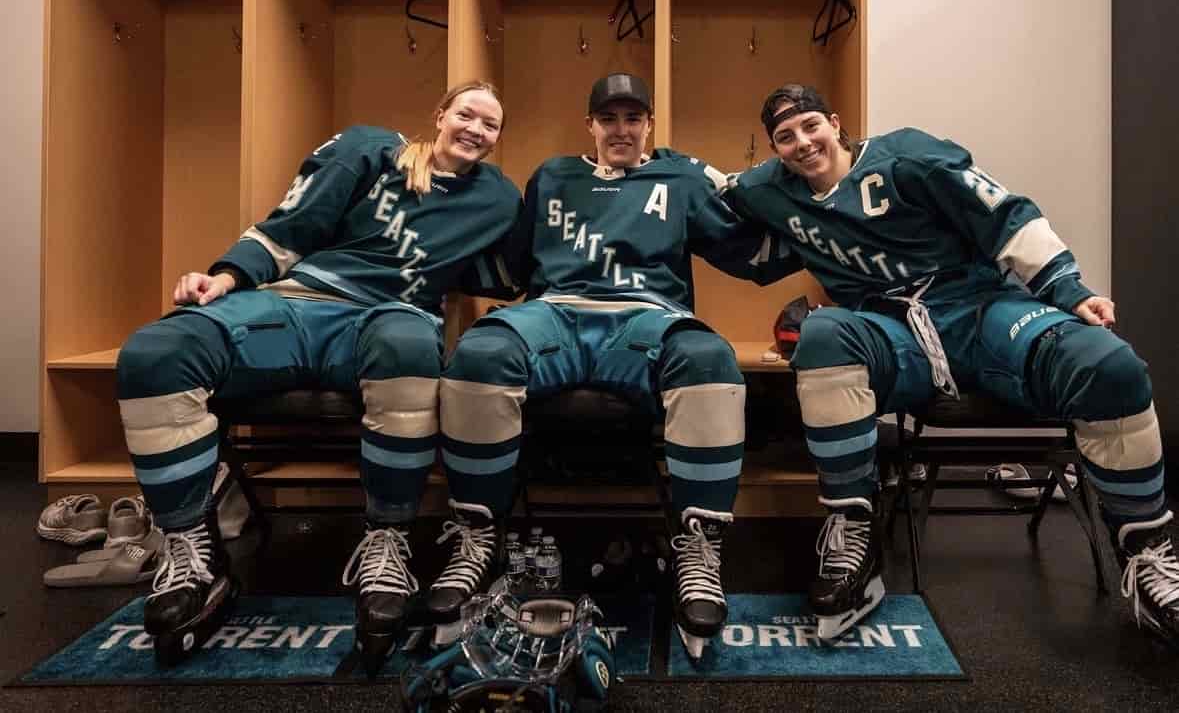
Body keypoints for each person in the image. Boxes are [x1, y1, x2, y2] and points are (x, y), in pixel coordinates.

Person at [724, 83, 1177, 647]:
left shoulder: (906, 155)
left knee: (1108, 365)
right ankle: (854, 530)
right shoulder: (771, 189)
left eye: (811, 125)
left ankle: (1146, 550)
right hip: (894, 331)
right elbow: (708, 194)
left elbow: (1003, 214)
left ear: (836, 123)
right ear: (774, 148)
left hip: (979, 311)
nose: (802, 142)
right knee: (823, 334)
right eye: (785, 136)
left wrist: (1068, 289)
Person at [115, 81, 521, 670]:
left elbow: (513, 271)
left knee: (409, 349)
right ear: (440, 115)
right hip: (299, 301)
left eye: (490, 124)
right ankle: (190, 548)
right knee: (155, 354)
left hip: (390, 317)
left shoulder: (497, 198)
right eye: (466, 114)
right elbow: (290, 228)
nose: (476, 130)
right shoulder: (370, 150)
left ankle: (388, 541)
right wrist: (224, 278)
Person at [428, 73, 788, 654]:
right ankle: (477, 535)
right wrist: (422, 267)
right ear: (589, 125)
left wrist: (816, 215)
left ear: (649, 124)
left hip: (645, 320)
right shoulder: (552, 176)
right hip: (555, 315)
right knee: (480, 354)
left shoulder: (677, 179)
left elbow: (750, 253)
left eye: (633, 119)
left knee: (708, 358)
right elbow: (510, 268)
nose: (621, 130)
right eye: (609, 119)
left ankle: (699, 549)